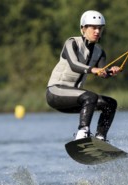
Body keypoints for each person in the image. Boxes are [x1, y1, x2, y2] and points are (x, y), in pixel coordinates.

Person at [46, 10, 121, 141]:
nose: (97, 31)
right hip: (55, 93)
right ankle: (82, 134)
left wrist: (110, 72)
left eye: (100, 28)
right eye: (93, 28)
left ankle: (100, 138)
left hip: (78, 100)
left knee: (110, 104)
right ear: (83, 29)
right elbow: (74, 65)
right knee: (90, 96)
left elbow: (103, 72)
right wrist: (94, 70)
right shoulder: (72, 43)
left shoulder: (99, 52)